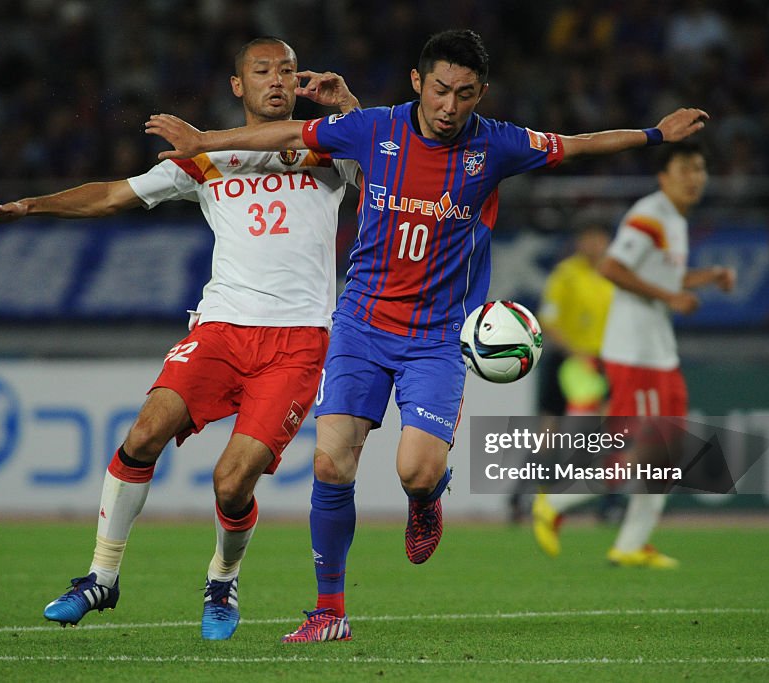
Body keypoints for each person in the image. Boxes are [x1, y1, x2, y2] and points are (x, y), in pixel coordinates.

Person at [145, 29, 709, 642]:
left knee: (416, 470)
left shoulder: (495, 145)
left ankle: (426, 498)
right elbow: (283, 134)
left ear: (479, 94)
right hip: (360, 324)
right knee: (333, 465)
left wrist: (655, 134)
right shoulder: (375, 128)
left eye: (464, 94)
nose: (449, 106)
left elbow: (578, 144)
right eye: (440, 90)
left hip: (437, 336)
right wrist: (205, 141)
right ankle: (329, 611)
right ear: (418, 83)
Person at [0, 37, 361, 640]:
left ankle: (222, 582)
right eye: (261, 71)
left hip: (298, 342)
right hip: (221, 329)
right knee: (143, 434)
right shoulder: (202, 158)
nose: (276, 80)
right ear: (238, 86)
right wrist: (30, 205)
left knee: (232, 482)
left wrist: (350, 106)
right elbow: (114, 194)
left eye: (286, 70)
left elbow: (393, 163)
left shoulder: (327, 148)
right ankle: (101, 576)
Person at [532, 140, 736, 568]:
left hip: (657, 350)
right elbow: (612, 268)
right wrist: (671, 297)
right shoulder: (649, 215)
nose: (695, 177)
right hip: (633, 351)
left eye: (700, 169)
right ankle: (556, 502)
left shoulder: (674, 221)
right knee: (632, 448)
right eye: (685, 168)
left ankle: (631, 542)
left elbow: (665, 274)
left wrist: (708, 277)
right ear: (663, 176)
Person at [506, 222, 615, 524]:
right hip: (567, 361)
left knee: (606, 434)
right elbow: (549, 321)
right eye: (589, 237)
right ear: (580, 241)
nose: (595, 244)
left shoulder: (615, 274)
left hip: (604, 363)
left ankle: (609, 503)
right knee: (548, 436)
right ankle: (521, 496)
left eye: (600, 238)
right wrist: (576, 353)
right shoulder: (566, 274)